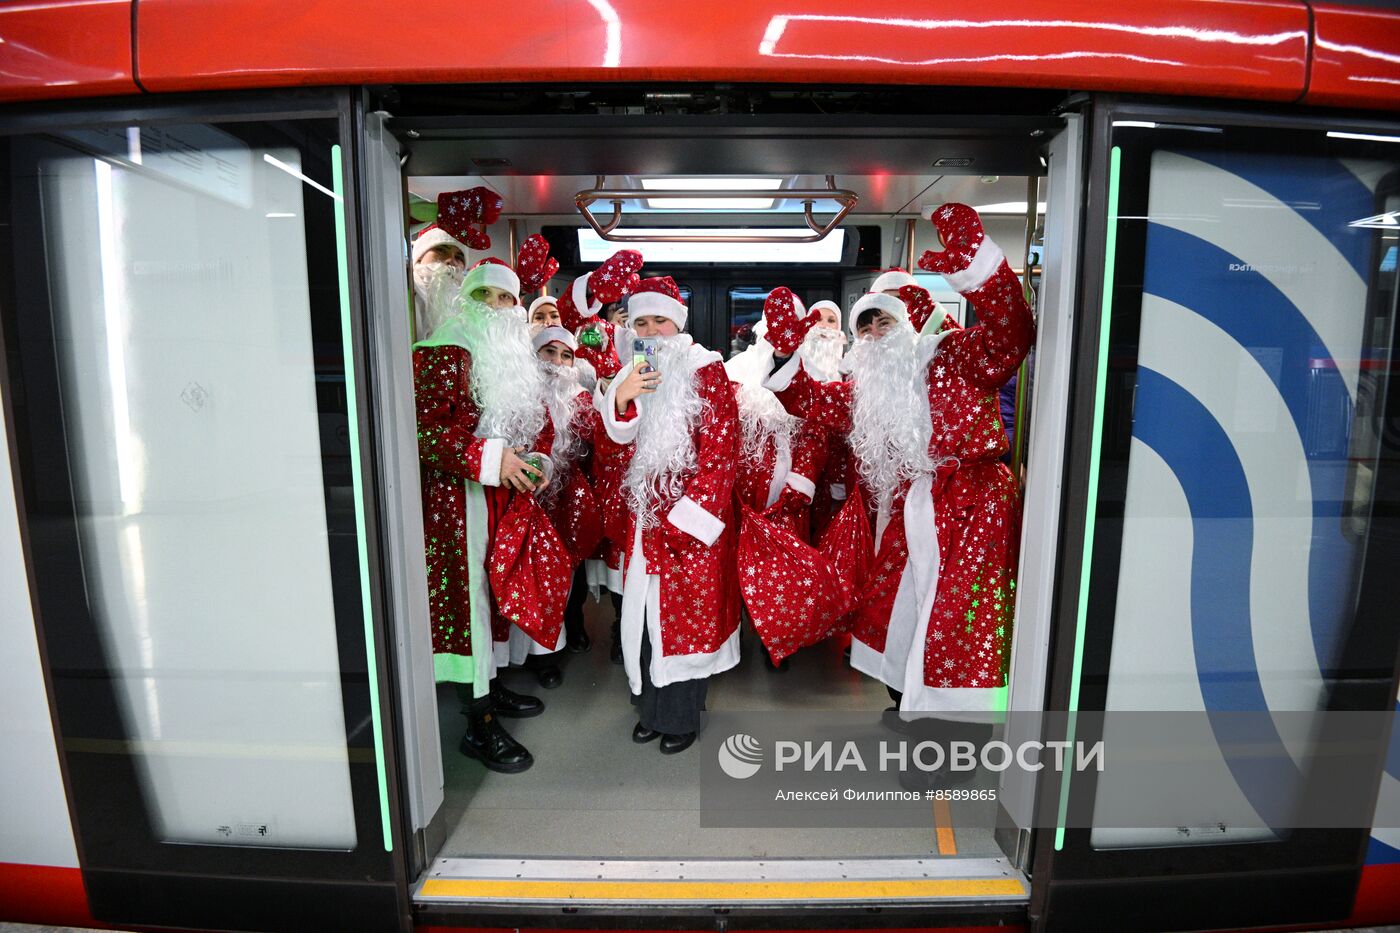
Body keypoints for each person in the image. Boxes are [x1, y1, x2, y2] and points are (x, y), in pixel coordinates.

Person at [762, 204, 1033, 724]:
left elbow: (1012, 335)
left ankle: (953, 735)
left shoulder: (954, 355)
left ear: (908, 323)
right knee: (896, 604)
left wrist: (979, 271)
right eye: (866, 327)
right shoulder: (865, 391)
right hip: (912, 505)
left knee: (958, 620)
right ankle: (905, 701)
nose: (875, 334)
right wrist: (784, 355)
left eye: (884, 320)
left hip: (972, 505)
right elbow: (808, 401)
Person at [413, 256, 557, 773]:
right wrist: (493, 461)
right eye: (486, 296)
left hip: (503, 498)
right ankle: (477, 726)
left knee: (492, 596)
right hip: (458, 505)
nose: (498, 307)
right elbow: (426, 432)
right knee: (468, 605)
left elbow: (536, 423)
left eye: (508, 298)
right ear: (467, 300)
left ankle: (489, 691)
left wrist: (537, 457)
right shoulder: (443, 348)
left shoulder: (511, 357)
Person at [597, 276, 741, 754]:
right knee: (641, 618)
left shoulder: (707, 370)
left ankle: (679, 718)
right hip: (644, 522)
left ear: (678, 323)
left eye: (661, 320)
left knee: (684, 623)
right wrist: (621, 398)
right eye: (641, 322)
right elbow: (612, 450)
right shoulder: (629, 373)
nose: (652, 331)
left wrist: (691, 522)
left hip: (691, 524)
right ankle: (650, 709)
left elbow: (721, 454)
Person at [532, 326, 611, 655]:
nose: (558, 362)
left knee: (571, 569)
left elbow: (600, 437)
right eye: (550, 352)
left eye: (566, 355)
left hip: (566, 496)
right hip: (526, 497)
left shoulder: (579, 397)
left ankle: (573, 624)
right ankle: (540, 652)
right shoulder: (519, 392)